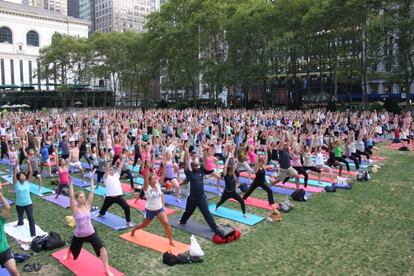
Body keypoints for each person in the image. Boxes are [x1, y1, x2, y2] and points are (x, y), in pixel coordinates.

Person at [64, 171, 114, 276]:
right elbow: (71, 197)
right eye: (81, 197)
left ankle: (107, 269)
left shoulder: (87, 205)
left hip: (90, 232)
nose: (83, 198)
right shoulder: (75, 208)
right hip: (79, 234)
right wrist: (71, 182)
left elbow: (91, 192)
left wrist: (91, 179)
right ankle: (68, 253)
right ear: (77, 199)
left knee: (102, 249)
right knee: (73, 248)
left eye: (83, 197)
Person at [179, 142, 220, 235]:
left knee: (207, 213)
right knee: (188, 212)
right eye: (195, 165)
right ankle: (182, 221)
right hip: (192, 198)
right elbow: (185, 163)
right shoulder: (189, 173)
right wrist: (185, 151)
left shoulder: (201, 170)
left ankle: (215, 227)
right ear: (192, 167)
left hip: (201, 198)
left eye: (198, 165)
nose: (197, 166)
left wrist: (205, 150)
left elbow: (205, 160)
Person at [130, 162, 174, 246]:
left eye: (155, 178)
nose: (155, 180)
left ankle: (170, 241)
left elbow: (164, 174)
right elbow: (145, 178)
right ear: (149, 181)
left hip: (159, 209)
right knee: (144, 225)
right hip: (150, 210)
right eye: (153, 179)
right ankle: (134, 229)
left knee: (166, 223)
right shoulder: (146, 188)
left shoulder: (158, 185)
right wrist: (147, 168)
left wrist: (164, 166)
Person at [97, 151, 134, 227]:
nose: (112, 170)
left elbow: (120, 167)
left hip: (118, 197)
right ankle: (101, 214)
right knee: (104, 207)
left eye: (112, 169)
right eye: (111, 169)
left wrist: (123, 159)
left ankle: (128, 221)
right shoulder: (106, 177)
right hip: (109, 197)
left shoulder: (116, 175)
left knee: (126, 207)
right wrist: (108, 162)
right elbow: (107, 170)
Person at [0, 182, 20, 276]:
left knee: (14, 270)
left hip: (4, 250)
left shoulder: (0, 219)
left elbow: (7, 207)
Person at [12, 160, 36, 237]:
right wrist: (16, 165)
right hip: (19, 204)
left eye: (24, 175)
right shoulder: (16, 183)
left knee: (31, 217)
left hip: (28, 203)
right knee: (20, 216)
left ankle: (33, 234)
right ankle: (20, 222)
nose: (23, 176)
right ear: (18, 178)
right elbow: (14, 174)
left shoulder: (27, 182)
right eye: (21, 175)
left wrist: (29, 163)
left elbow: (31, 172)